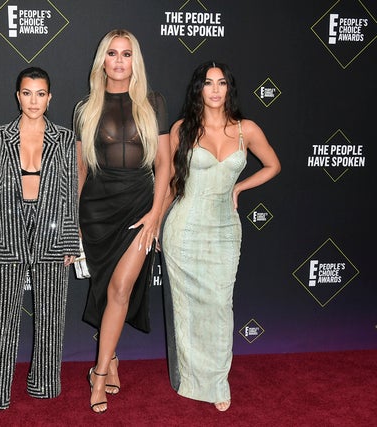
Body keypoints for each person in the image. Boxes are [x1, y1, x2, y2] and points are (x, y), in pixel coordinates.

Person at [162, 61, 281, 412]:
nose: (215, 90)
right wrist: (155, 221)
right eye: (208, 83)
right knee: (187, 308)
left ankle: (216, 381)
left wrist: (240, 187)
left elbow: (273, 165)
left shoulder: (247, 130)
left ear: (229, 88)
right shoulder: (182, 129)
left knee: (219, 305)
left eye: (222, 83)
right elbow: (171, 182)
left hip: (225, 229)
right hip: (183, 228)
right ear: (199, 88)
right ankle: (191, 380)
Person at [0, 67, 79, 411]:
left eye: (41, 93)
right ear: (17, 96)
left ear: (50, 97)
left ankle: (44, 384)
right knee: (0, 314)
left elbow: (69, 192)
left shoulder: (64, 138)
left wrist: (69, 239)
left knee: (51, 314)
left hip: (51, 227)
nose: (34, 100)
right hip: (7, 227)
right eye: (27, 93)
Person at [74, 29, 171, 413]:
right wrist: (75, 223)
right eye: (112, 53)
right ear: (102, 60)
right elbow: (80, 170)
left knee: (120, 289)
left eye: (126, 54)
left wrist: (155, 214)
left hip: (138, 206)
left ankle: (98, 374)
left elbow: (163, 165)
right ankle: (111, 358)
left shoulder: (154, 102)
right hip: (96, 210)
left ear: (135, 60)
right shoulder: (85, 107)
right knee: (105, 288)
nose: (118, 61)